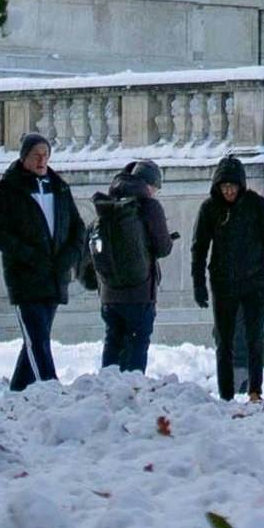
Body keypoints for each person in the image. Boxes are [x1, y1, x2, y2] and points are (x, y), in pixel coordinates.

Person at [0, 134, 90, 391]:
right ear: (24, 157)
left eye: (46, 155)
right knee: (37, 338)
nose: (42, 160)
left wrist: (69, 258)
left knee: (37, 337)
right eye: (36, 155)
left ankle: (18, 392)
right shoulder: (9, 188)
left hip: (55, 276)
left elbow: (77, 228)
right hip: (25, 276)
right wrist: (27, 255)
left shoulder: (59, 187)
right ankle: (50, 389)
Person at [190, 154, 264, 402]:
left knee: (256, 338)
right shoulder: (210, 209)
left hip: (254, 283)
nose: (228, 192)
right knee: (224, 341)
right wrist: (198, 284)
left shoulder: (258, 207)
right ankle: (226, 394)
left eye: (232, 187)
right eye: (224, 187)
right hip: (223, 283)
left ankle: (254, 389)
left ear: (240, 186)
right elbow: (199, 248)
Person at [93, 158, 175, 373]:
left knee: (112, 342)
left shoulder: (109, 204)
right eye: (155, 188)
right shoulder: (148, 205)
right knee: (137, 345)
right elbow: (163, 247)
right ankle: (132, 393)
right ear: (149, 185)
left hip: (109, 293)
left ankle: (106, 391)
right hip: (139, 293)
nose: (155, 193)